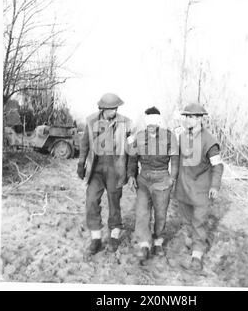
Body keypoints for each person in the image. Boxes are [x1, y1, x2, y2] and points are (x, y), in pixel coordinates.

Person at [77, 93, 133, 255]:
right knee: (91, 201)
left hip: (116, 170)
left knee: (114, 203)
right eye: (110, 109)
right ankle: (96, 239)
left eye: (116, 108)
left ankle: (114, 237)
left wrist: (130, 171)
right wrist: (81, 164)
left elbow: (132, 149)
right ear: (102, 108)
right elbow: (84, 144)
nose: (113, 111)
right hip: (96, 170)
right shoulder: (91, 121)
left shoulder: (126, 123)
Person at [174, 102, 224, 270]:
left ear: (200, 119)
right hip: (183, 187)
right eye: (186, 116)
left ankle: (197, 254)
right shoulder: (181, 137)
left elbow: (217, 166)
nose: (188, 120)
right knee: (187, 220)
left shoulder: (209, 141)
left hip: (202, 190)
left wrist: (215, 186)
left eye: (192, 117)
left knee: (198, 222)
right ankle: (193, 241)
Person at [127, 107, 179, 263]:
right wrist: (131, 175)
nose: (150, 127)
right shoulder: (140, 136)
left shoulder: (169, 137)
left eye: (153, 123)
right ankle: (144, 244)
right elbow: (132, 159)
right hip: (144, 178)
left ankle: (158, 242)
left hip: (162, 178)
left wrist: (172, 178)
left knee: (160, 213)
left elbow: (175, 159)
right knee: (142, 212)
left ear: (158, 123)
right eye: (148, 123)